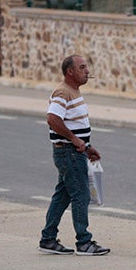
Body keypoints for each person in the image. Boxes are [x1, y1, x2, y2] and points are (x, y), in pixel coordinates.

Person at [38, 54, 110, 256]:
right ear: (70, 71)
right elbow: (53, 119)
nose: (87, 71)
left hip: (74, 151)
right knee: (81, 195)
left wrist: (87, 147)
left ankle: (48, 238)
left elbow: (74, 124)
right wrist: (75, 140)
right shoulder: (62, 92)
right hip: (68, 152)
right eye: (82, 67)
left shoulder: (73, 92)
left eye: (86, 67)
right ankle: (84, 242)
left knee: (62, 196)